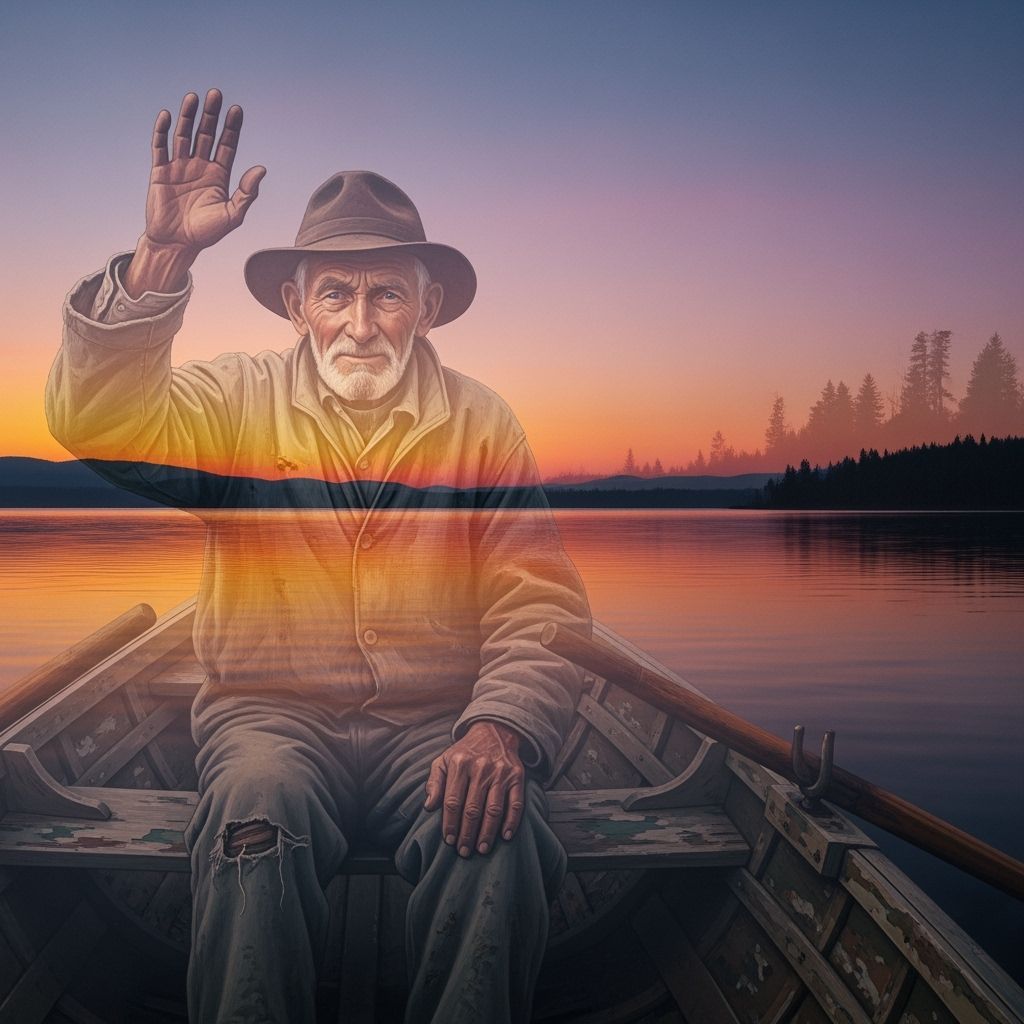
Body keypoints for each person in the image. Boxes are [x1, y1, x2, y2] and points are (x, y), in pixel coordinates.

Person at [45, 89, 592, 1023]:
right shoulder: (234, 402)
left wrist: (497, 729)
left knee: (498, 837)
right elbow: (95, 421)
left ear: (428, 307)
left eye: (386, 293)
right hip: (268, 720)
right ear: (296, 306)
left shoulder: (483, 422)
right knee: (255, 818)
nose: (361, 321)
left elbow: (540, 608)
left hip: (439, 722)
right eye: (336, 292)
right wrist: (165, 256)